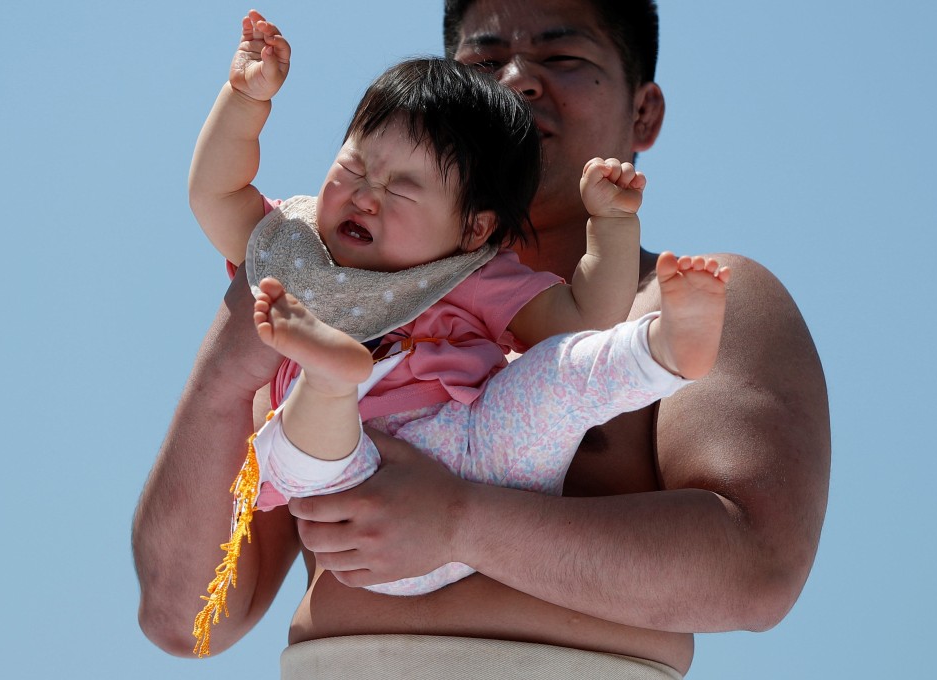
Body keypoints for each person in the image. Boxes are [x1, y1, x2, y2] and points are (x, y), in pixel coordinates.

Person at [133, 2, 830, 678]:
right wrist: (226, 373)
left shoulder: (695, 299)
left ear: (643, 110)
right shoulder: (321, 299)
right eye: (485, 58)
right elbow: (183, 618)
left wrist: (462, 523)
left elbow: (756, 571)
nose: (518, 78)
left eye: (561, 56)